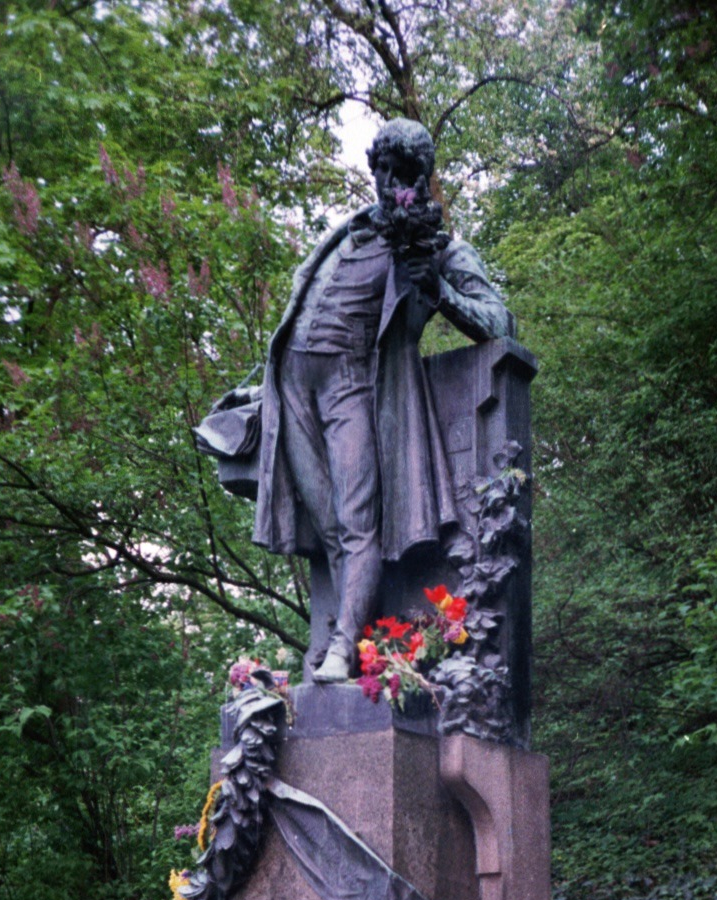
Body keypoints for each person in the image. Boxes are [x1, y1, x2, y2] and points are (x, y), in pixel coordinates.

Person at [210, 118, 514, 681]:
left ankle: (347, 648)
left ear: (423, 178)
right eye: (381, 168)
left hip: (356, 385)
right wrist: (260, 387)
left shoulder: (437, 246)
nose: (388, 180)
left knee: (356, 522)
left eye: (402, 172)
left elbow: (499, 320)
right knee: (326, 524)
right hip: (292, 386)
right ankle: (343, 633)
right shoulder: (344, 232)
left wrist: (438, 290)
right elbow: (305, 313)